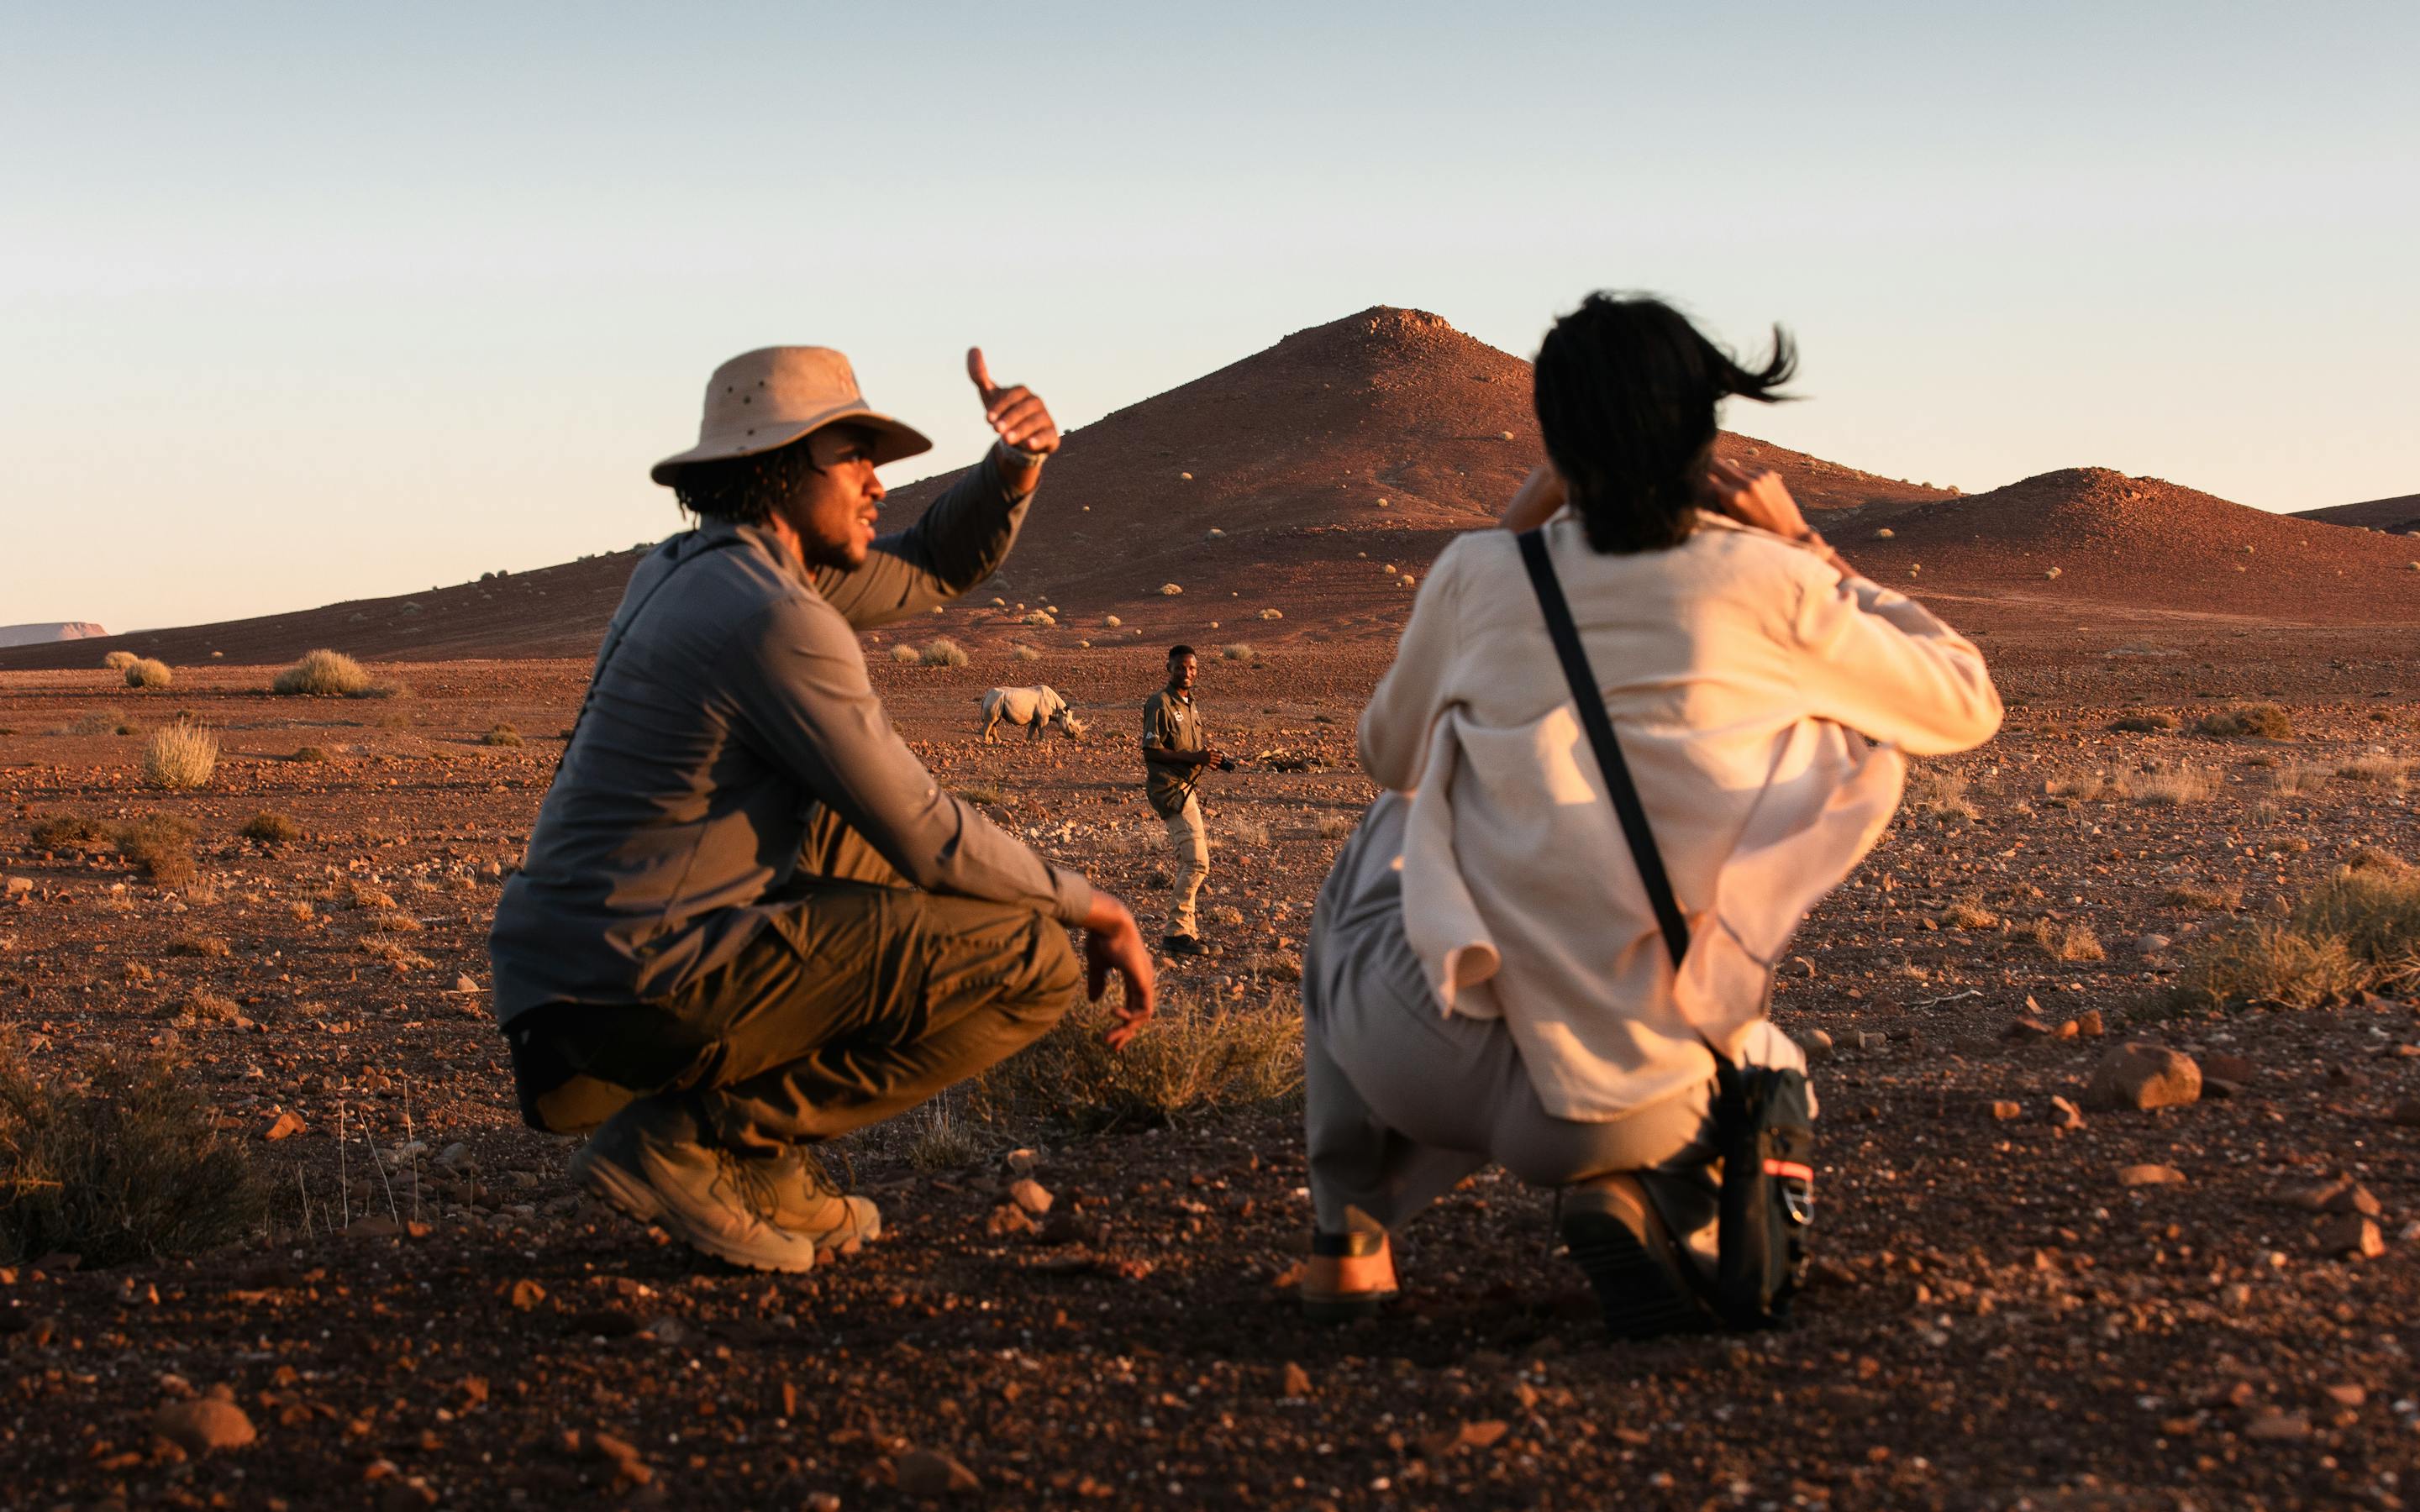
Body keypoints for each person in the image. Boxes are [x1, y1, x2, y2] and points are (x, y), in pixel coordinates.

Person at [1298, 294, 2002, 1336]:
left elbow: (1386, 755)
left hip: (1425, 1055)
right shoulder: (1771, 586)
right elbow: (1965, 703)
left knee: (1392, 828)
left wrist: (1508, 540)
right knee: (1763, 1063)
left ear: (1555, 440)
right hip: (1636, 1087)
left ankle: (1345, 1243)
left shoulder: (1479, 575)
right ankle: (1642, 1190)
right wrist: (1809, 543)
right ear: (1704, 433)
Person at [488, 344, 1155, 1274]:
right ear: (779, 467)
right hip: (634, 989)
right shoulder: (773, 617)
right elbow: (925, 832)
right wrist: (1096, 905)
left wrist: (1013, 465)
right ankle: (690, 1140)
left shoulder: (695, 568)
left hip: (572, 977)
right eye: (855, 458)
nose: (880, 484)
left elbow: (929, 563)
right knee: (1035, 954)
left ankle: (760, 1164)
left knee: (845, 840)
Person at [1139, 644, 1231, 956]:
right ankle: (1176, 933)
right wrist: (1195, 756)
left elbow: (1187, 747)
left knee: (1191, 860)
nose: (1187, 673)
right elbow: (1151, 750)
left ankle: (1187, 932)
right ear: (1169, 667)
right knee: (1196, 862)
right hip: (1171, 790)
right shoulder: (1160, 703)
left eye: (1192, 668)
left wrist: (1208, 758)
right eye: (1181, 667)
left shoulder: (1190, 704)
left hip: (1187, 788)